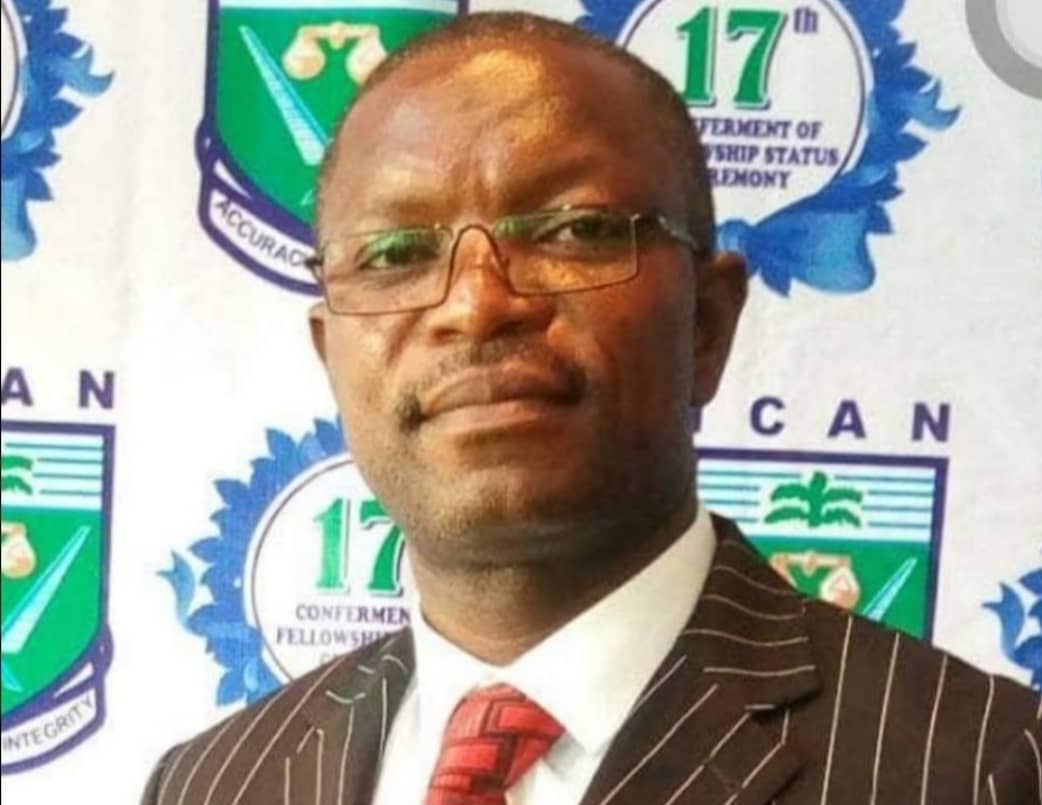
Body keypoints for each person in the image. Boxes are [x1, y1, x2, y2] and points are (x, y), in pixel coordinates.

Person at [142, 12, 1041, 805]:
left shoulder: (981, 769)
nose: (476, 304)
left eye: (572, 229)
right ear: (329, 354)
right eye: (395, 254)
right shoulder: (215, 781)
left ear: (706, 323)